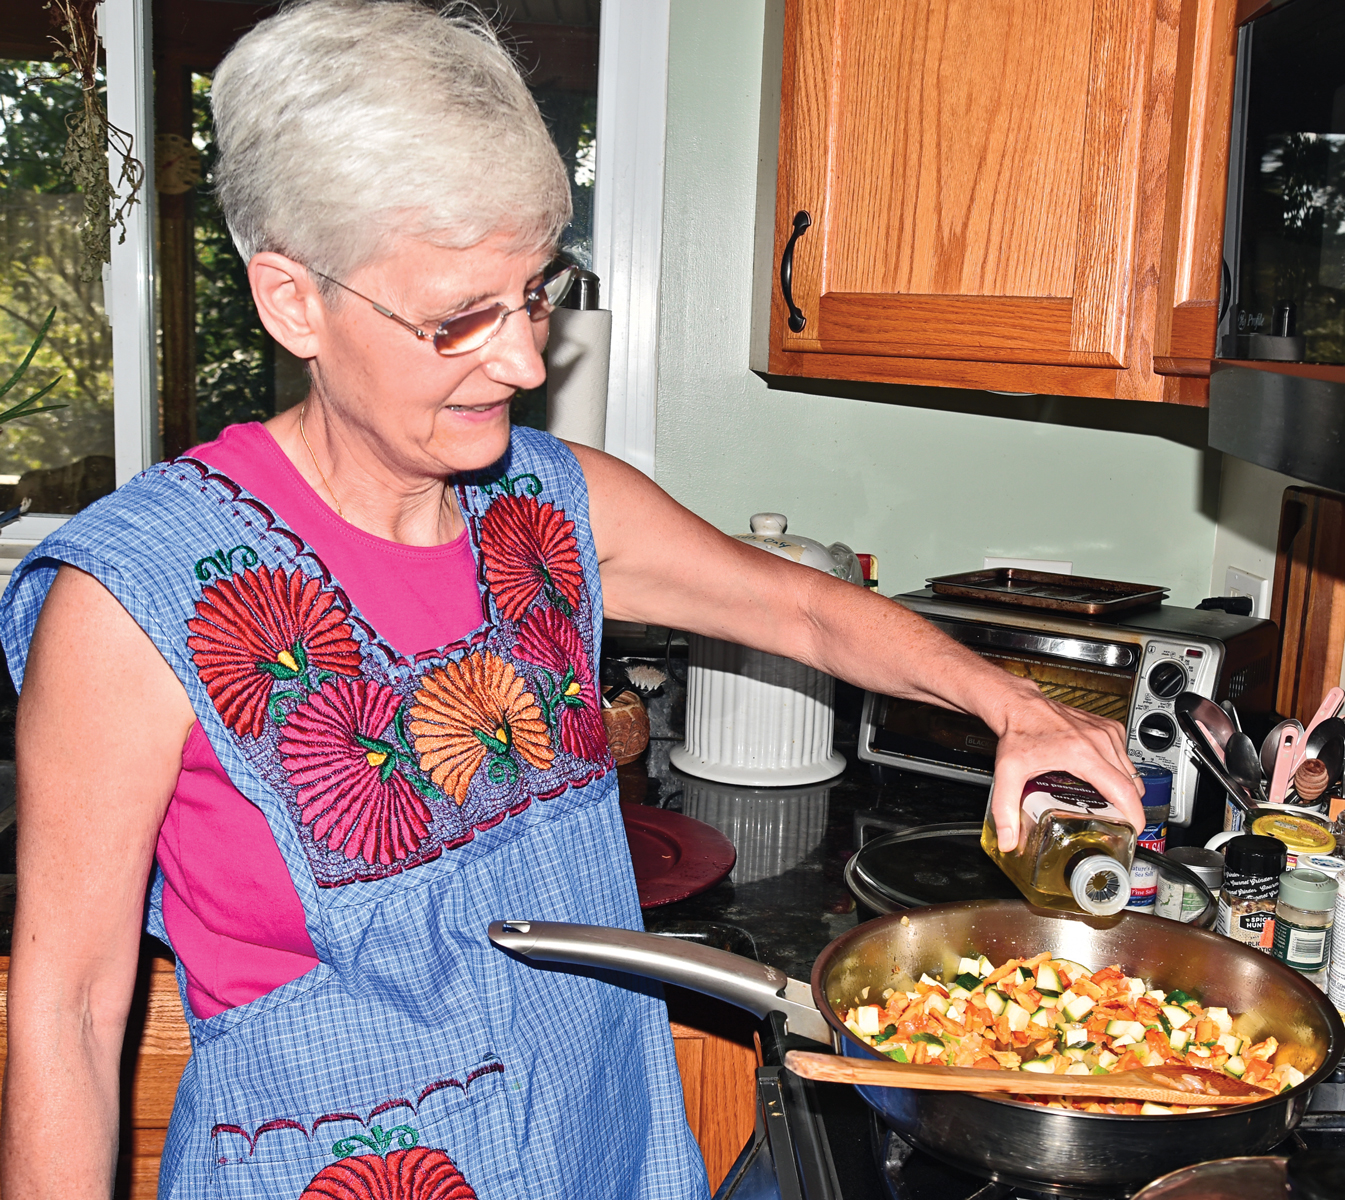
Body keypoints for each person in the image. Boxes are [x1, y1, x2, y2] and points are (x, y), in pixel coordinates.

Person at [0, 2, 1145, 1197]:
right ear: (294, 302)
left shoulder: (551, 506)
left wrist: (1009, 701)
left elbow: (803, 611)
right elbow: (71, 1014)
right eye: (459, 319)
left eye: (535, 292)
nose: (525, 362)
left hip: (594, 1139)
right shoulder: (133, 591)